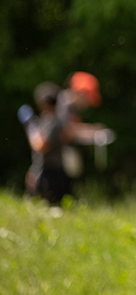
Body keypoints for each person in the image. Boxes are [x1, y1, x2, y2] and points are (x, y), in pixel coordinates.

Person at [22, 72, 110, 204]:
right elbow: (67, 132)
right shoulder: (62, 106)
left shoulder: (68, 107)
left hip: (55, 167)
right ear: (80, 93)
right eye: (87, 98)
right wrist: (94, 133)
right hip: (49, 169)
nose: (87, 104)